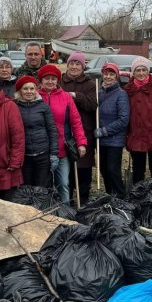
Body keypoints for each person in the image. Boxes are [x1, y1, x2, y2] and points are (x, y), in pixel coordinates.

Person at [38, 64, 87, 205]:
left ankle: (65, 212)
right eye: (46, 78)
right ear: (41, 80)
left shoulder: (65, 97)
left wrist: (81, 143)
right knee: (43, 185)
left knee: (64, 184)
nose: (50, 82)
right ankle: (44, 210)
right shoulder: (34, 96)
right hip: (41, 149)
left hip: (61, 149)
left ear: (57, 80)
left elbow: (76, 121)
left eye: (53, 79)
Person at [124, 56, 152, 183]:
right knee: (138, 171)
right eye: (138, 70)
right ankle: (139, 197)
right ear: (133, 72)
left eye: (143, 70)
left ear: (148, 71)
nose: (141, 73)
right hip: (136, 137)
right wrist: (126, 136)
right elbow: (125, 115)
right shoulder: (127, 90)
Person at [60, 51, 97, 205]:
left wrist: (76, 96)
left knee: (83, 167)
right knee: (66, 168)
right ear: (67, 65)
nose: (74, 66)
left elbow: (92, 104)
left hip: (84, 131)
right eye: (71, 63)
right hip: (64, 131)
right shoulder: (60, 82)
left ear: (83, 67)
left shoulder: (89, 84)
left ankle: (84, 199)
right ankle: (67, 200)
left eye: (77, 64)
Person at [15, 75, 59, 187]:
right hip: (25, 155)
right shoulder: (14, 107)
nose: (29, 92)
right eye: (25, 89)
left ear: (36, 90)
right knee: (26, 186)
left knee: (42, 186)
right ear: (20, 91)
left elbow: (52, 130)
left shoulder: (43, 107)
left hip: (42, 154)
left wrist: (53, 154)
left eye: (32, 88)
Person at [96, 62, 129, 197]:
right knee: (104, 170)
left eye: (112, 74)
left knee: (112, 169)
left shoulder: (121, 94)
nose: (108, 77)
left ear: (116, 77)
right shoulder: (98, 93)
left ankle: (121, 196)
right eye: (106, 74)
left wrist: (104, 131)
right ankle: (110, 195)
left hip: (114, 140)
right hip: (101, 140)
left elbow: (123, 120)